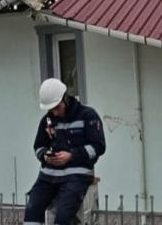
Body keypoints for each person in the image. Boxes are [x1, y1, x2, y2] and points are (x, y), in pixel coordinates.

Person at [24, 78, 106, 225]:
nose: (54, 113)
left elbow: (98, 146)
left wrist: (72, 156)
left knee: (63, 217)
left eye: (57, 107)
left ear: (66, 99)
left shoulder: (88, 116)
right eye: (51, 109)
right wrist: (45, 156)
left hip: (77, 175)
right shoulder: (47, 121)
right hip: (48, 175)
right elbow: (38, 146)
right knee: (31, 212)